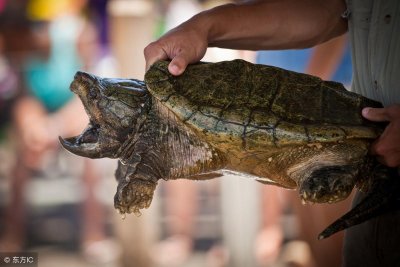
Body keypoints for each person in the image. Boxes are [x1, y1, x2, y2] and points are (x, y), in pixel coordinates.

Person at [143, 1, 400, 266]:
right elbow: (330, 9)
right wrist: (203, 26)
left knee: (328, 230)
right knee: (315, 225)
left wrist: (306, 94)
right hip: (363, 139)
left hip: (331, 105)